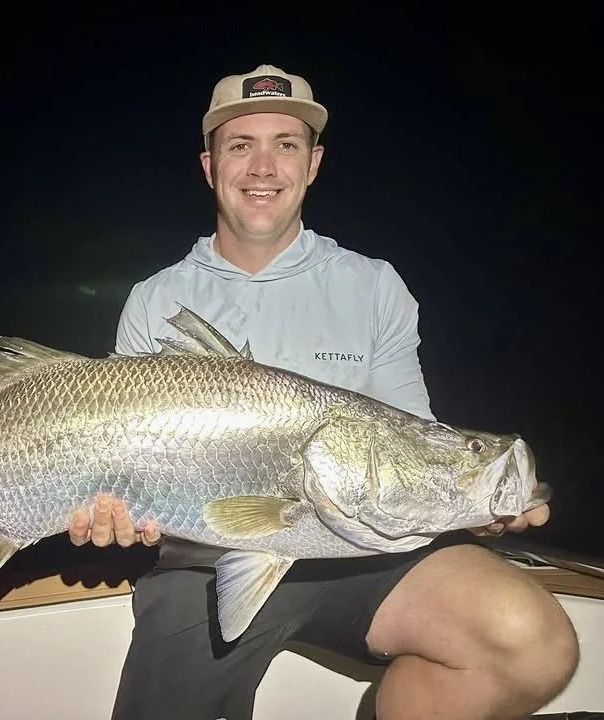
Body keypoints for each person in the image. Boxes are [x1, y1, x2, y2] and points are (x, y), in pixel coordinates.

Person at [68, 64, 579, 720]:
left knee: (531, 642)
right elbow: (122, 460)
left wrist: (466, 500)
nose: (262, 165)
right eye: (239, 144)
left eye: (285, 144)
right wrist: (107, 509)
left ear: (311, 165)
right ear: (208, 165)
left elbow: (410, 436)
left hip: (361, 553)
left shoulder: (372, 286)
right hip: (203, 563)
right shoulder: (158, 299)